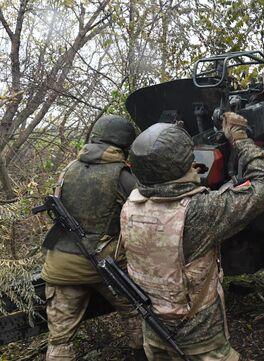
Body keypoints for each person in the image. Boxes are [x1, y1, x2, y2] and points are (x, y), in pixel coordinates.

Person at [120, 112, 264, 360]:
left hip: (153, 333)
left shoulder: (130, 206)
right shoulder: (199, 212)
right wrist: (239, 140)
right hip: (200, 343)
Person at [40, 115, 145, 361]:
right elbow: (140, 221)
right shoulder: (124, 176)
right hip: (105, 265)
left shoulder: (68, 170)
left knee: (59, 340)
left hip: (60, 267)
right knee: (137, 313)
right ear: (125, 144)